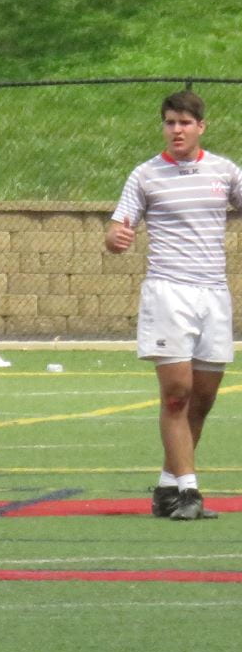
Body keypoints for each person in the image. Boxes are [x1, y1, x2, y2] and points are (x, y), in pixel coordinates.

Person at [107, 89, 242, 522]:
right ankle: (189, 490)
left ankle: (167, 486)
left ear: (201, 126)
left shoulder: (225, 171)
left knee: (203, 398)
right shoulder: (145, 175)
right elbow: (115, 232)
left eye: (185, 123)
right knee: (175, 396)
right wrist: (117, 239)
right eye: (170, 122)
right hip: (168, 291)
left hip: (213, 295)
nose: (176, 130)